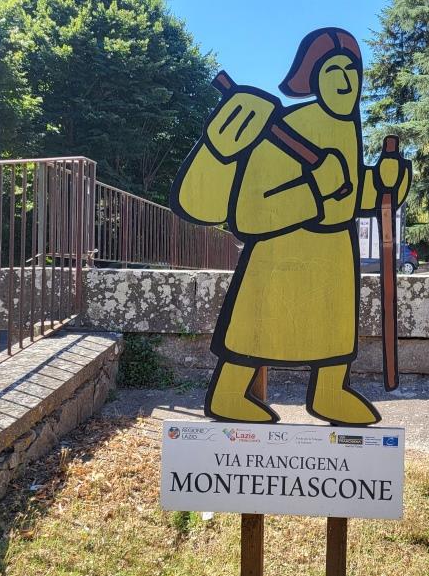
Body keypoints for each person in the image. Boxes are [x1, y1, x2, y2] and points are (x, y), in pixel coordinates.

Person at [170, 28, 411, 425]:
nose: (345, 80)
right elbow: (250, 212)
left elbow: (348, 192)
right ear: (314, 79)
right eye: (333, 70)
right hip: (281, 252)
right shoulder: (284, 128)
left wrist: (385, 184)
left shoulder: (347, 126)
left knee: (333, 328)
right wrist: (314, 188)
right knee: (257, 328)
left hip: (333, 253)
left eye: (351, 70)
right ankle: (229, 393)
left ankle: (330, 392)